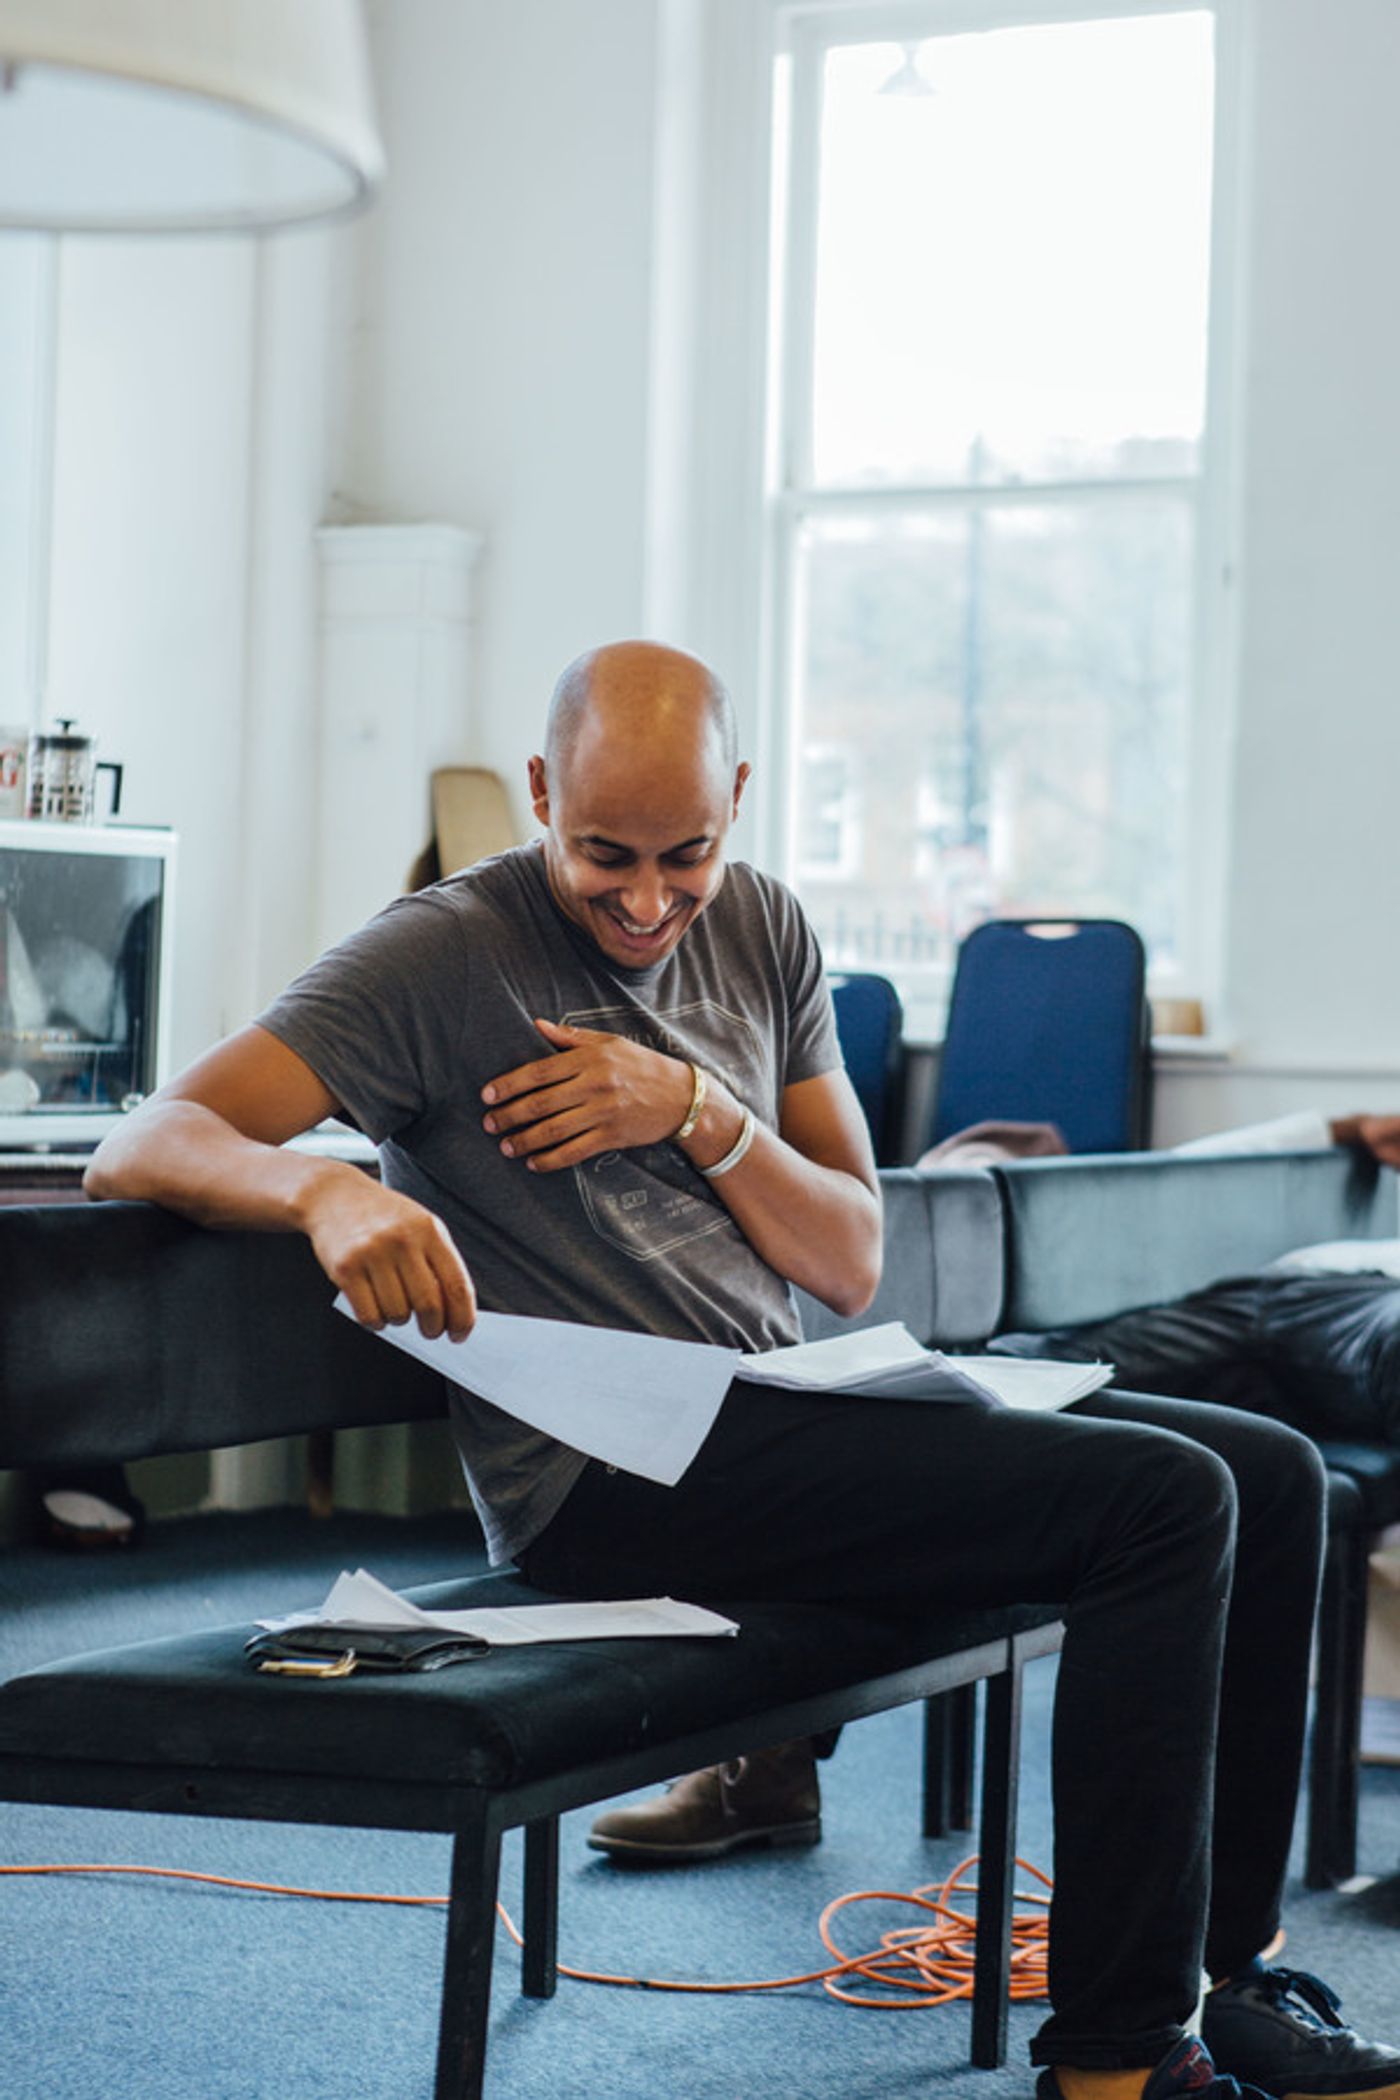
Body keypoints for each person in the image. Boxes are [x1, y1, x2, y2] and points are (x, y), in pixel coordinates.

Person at [85, 640, 1400, 2100]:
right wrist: (328, 1191)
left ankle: (1225, 1982)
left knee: (1268, 1476)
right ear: (539, 793)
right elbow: (147, 1137)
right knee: (1165, 1502)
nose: (646, 903)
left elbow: (846, 1255)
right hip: (605, 1476)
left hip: (772, 1415)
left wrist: (701, 1111)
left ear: (740, 806)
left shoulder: (765, 928)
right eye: (602, 857)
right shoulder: (442, 951)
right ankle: (1115, 2057)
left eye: (684, 856)